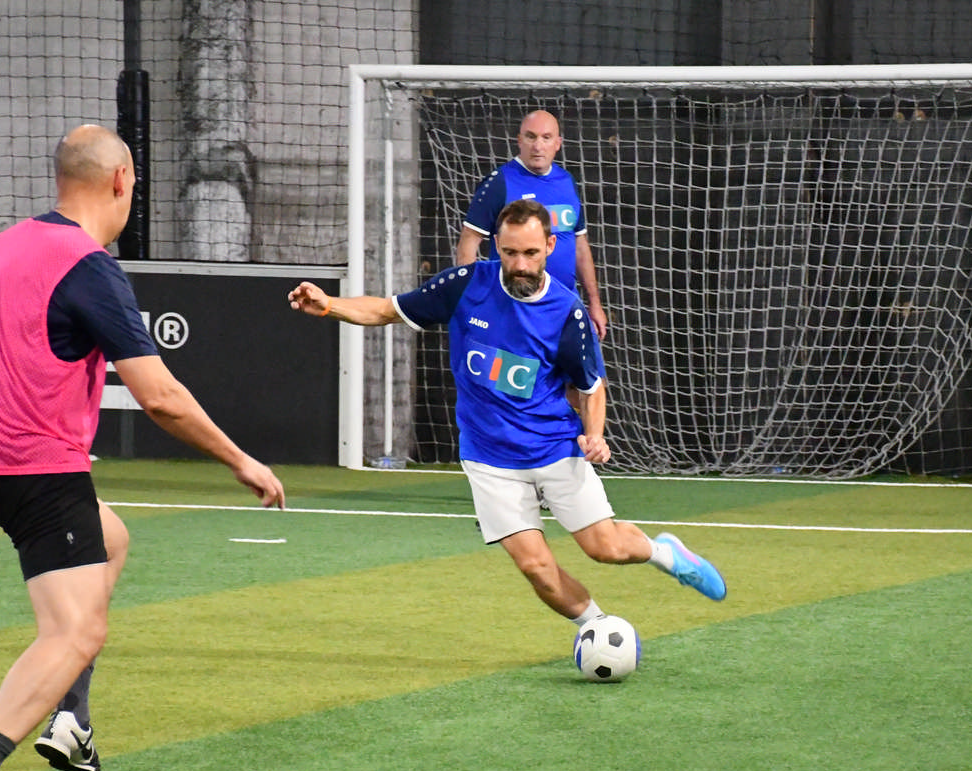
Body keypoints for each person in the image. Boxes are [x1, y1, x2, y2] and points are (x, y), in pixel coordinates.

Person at [0, 124, 285, 771]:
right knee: (76, 632)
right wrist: (241, 460)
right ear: (121, 182)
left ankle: (72, 720)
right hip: (30, 466)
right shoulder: (87, 266)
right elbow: (160, 397)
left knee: (110, 540)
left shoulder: (3, 246)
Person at [290, 197, 724, 632]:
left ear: (550, 247)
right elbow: (386, 310)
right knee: (536, 567)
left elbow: (592, 388)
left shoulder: (567, 313)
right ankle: (597, 628)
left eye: (531, 253)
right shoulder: (465, 285)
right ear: (496, 245)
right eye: (510, 252)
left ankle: (665, 553)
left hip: (554, 448)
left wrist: (595, 435)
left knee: (605, 548)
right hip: (489, 457)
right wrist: (328, 304)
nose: (520, 264)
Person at [456, 110, 609, 340]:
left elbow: (580, 245)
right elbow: (469, 240)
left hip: (563, 308)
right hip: (514, 310)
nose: (538, 146)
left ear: (558, 143)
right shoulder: (499, 182)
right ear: (519, 140)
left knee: (582, 364)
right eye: (531, 137)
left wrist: (594, 303)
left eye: (546, 138)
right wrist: (473, 298)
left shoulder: (567, 181)